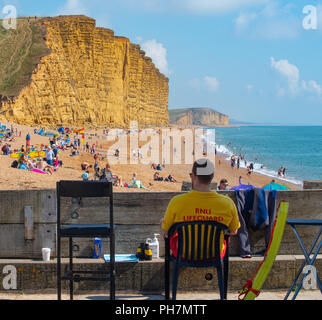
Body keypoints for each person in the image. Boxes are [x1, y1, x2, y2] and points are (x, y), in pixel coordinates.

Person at [161, 159, 240, 260]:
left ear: (193, 176)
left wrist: (162, 223)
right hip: (214, 255)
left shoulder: (177, 201)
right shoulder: (228, 203)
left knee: (170, 232)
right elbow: (234, 231)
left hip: (184, 254)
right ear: (212, 177)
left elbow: (166, 231)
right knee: (224, 240)